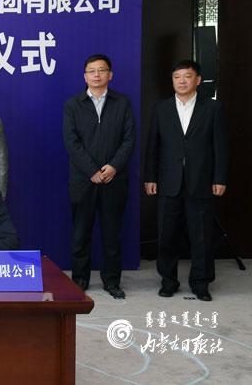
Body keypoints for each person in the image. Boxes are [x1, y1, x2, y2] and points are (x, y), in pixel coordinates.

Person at [144, 60, 228, 302]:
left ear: (198, 80)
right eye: (177, 77)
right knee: (167, 235)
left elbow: (221, 147)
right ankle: (168, 281)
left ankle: (201, 283)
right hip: (168, 181)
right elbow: (153, 146)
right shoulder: (161, 108)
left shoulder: (213, 108)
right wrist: (150, 177)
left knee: (201, 236)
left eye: (187, 76)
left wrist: (220, 178)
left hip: (201, 181)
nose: (182, 81)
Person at [63, 54, 135, 299]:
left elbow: (129, 139)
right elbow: (71, 142)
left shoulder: (122, 103)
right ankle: (80, 279)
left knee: (112, 234)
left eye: (101, 70)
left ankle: (112, 281)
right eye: (91, 71)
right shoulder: (73, 105)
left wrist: (114, 166)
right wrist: (92, 171)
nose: (96, 75)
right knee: (80, 233)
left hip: (115, 179)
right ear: (85, 76)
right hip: (83, 180)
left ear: (110, 75)